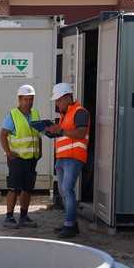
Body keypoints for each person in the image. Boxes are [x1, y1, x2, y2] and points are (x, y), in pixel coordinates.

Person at [45, 82, 90, 238]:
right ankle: (72, 224)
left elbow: (81, 133)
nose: (57, 104)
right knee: (64, 191)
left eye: (58, 100)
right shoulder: (64, 116)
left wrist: (61, 130)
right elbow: (64, 134)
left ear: (67, 97)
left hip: (74, 157)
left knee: (67, 190)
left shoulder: (80, 112)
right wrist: (52, 131)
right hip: (62, 158)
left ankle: (69, 226)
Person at [0, 84, 42, 228]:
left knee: (27, 188)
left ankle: (24, 216)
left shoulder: (35, 114)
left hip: (32, 158)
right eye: (26, 99)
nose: (29, 102)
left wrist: (39, 151)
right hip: (17, 158)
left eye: (31, 99)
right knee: (14, 188)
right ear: (19, 99)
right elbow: (3, 134)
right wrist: (8, 152)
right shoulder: (13, 115)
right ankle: (9, 217)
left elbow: (38, 135)